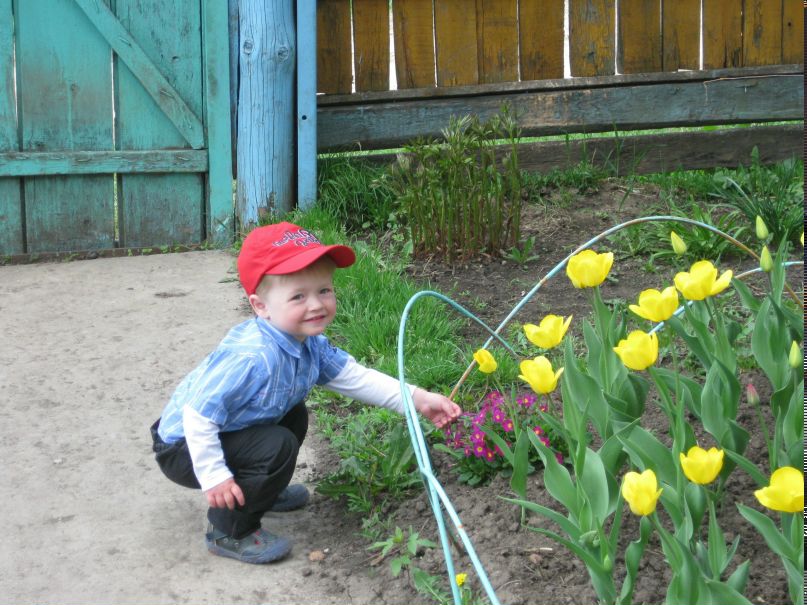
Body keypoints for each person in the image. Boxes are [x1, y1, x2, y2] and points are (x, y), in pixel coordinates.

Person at [150, 221, 461, 564]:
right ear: (260, 306)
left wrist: (418, 399)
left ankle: (261, 490)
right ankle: (230, 529)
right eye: (298, 296)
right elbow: (198, 414)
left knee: (294, 414)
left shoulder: (309, 344)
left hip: (225, 431)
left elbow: (356, 378)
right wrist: (215, 475)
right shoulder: (253, 356)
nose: (316, 305)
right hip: (184, 449)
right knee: (276, 446)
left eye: (324, 290)